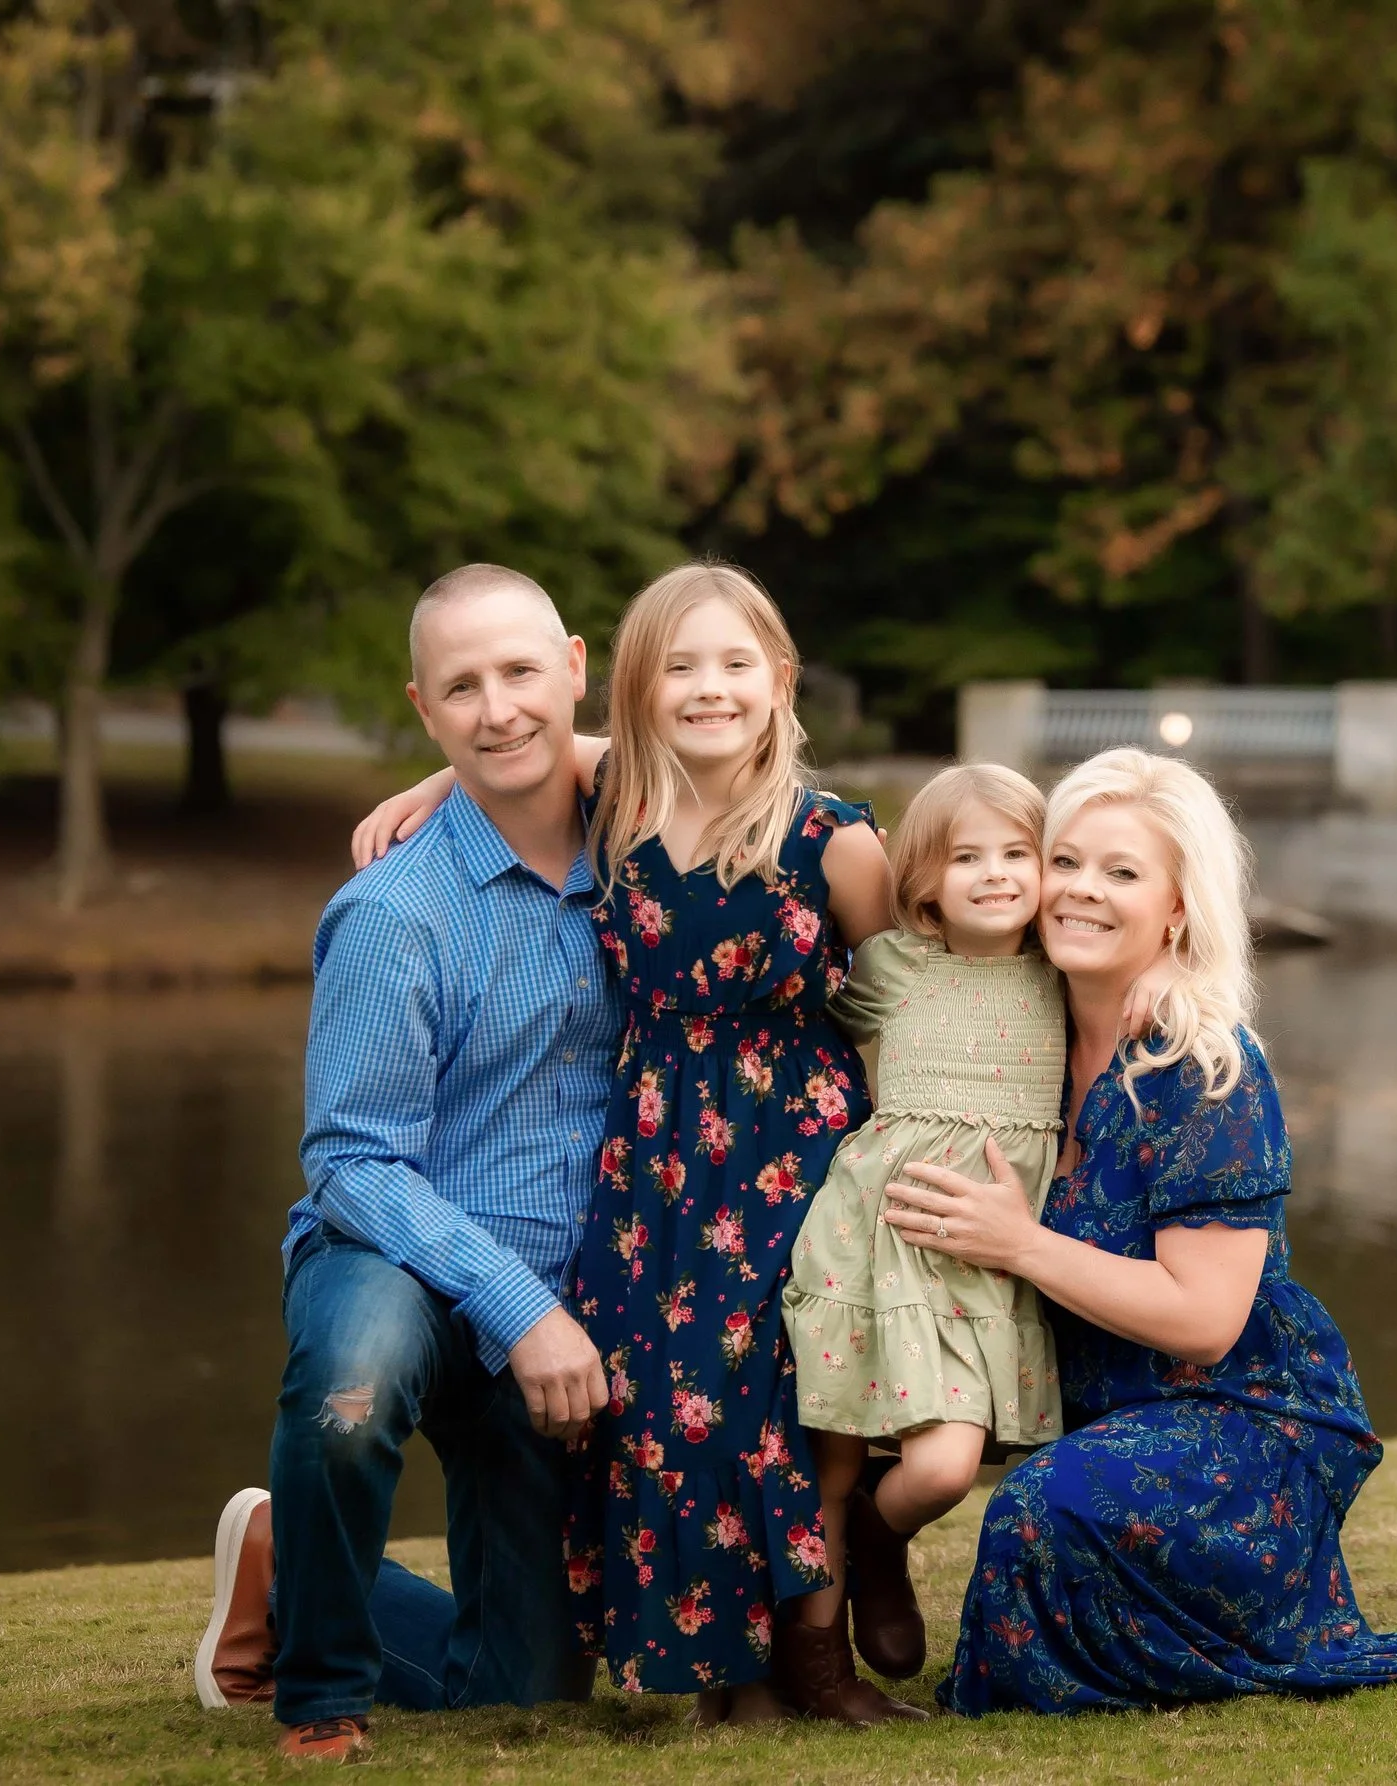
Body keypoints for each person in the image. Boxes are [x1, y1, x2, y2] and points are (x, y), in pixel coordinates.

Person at [882, 747, 1397, 1715]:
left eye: (1122, 872)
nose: (1081, 891)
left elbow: (1206, 1318)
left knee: (1036, 1511)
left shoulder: (1204, 1066)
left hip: (1239, 1417)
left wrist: (1019, 1243)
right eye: (1069, 861)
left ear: (1177, 907)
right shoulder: (1020, 1029)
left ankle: (1212, 1617)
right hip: (1099, 1410)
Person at [352, 562, 920, 1728]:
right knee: (666, 1411)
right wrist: (431, 782)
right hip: (653, 1164)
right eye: (678, 667)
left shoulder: (834, 841)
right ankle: (723, 1673)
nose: (708, 689)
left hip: (794, 1157)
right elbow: (521, 746)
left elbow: (917, 1000)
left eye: (734, 663)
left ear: (780, 679)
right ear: (631, 688)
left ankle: (808, 1660)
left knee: (779, 1400)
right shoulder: (617, 806)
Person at [191, 564, 619, 1763]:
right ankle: (316, 1694)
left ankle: (287, 1561)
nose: (497, 710)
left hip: (563, 1303)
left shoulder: (645, 852)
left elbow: (743, 758)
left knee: (525, 1691)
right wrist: (523, 1310)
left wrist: (548, 1316)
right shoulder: (395, 911)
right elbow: (352, 1160)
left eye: (520, 674)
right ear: (423, 708)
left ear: (576, 669)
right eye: (461, 690)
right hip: (398, 1258)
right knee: (354, 1382)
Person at [779, 763, 1070, 1685]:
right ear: (924, 883)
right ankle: (825, 1642)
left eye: (1016, 853)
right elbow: (790, 1017)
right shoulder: (894, 969)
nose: (994, 873)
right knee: (881, 1462)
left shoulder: (1065, 974)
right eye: (967, 857)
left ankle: (876, 1536)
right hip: (887, 1237)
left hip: (990, 1250)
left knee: (947, 1466)